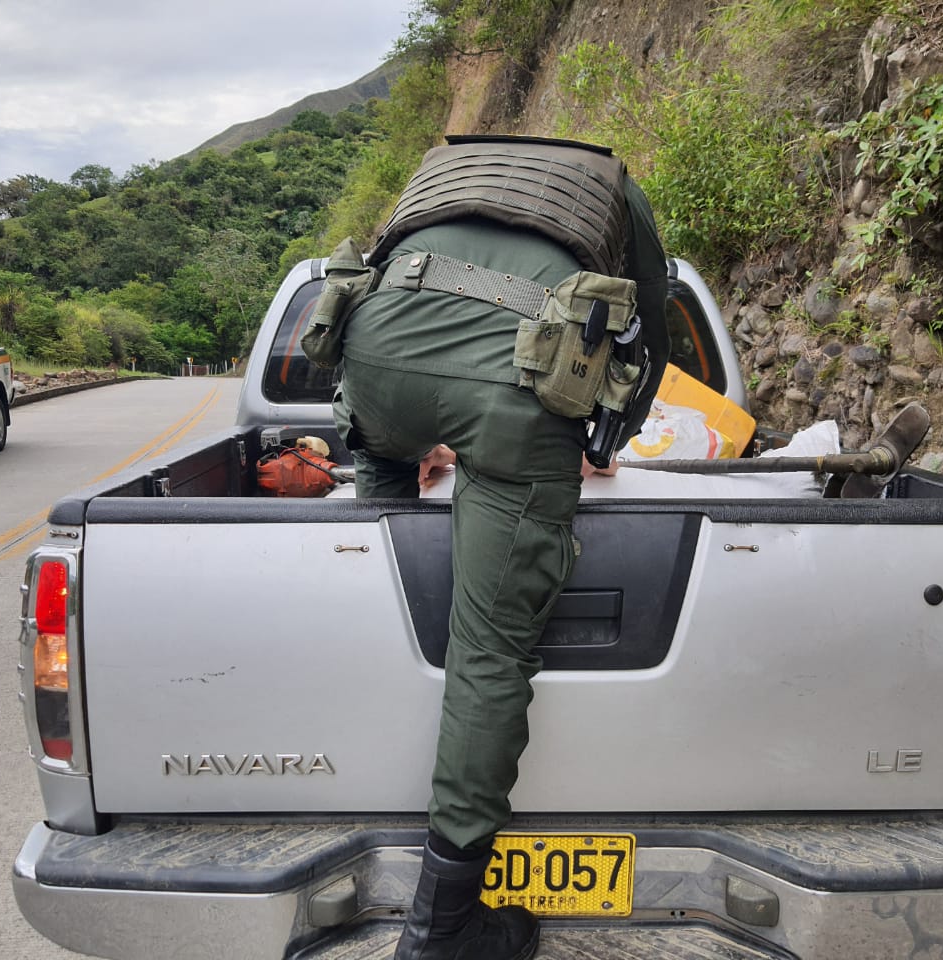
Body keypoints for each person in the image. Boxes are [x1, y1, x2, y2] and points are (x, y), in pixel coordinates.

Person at [331, 135, 670, 960]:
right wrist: (605, 438)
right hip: (514, 388)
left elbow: (393, 277)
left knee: (384, 540)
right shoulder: (616, 190)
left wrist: (416, 433)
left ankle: (376, 684)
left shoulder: (448, 166)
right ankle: (441, 928)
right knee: (488, 652)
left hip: (373, 360)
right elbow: (648, 336)